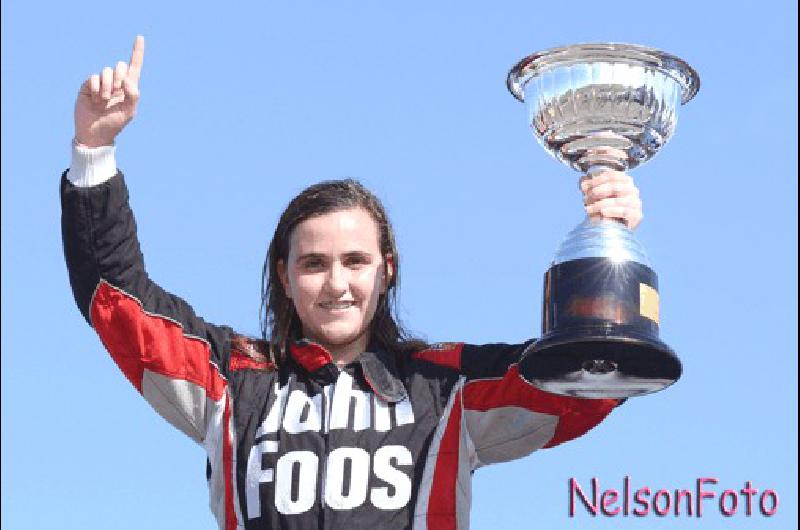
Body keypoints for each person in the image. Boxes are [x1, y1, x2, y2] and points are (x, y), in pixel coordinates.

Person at [61, 36, 644, 530]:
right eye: (313, 264)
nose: (336, 283)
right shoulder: (229, 382)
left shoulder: (447, 388)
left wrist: (609, 241)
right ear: (284, 279)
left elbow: (588, 378)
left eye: (355, 262)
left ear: (386, 271)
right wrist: (95, 149)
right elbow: (117, 300)